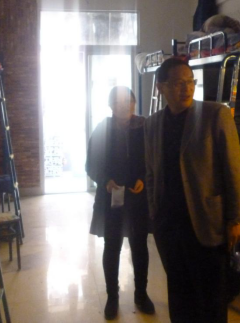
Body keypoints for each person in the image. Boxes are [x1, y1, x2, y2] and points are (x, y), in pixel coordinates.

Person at [144, 58, 240, 323]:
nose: (186, 88)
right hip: (169, 226)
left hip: (206, 222)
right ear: (161, 87)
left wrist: (236, 218)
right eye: (178, 83)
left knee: (211, 300)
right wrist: (154, 212)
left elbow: (233, 168)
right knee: (179, 296)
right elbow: (151, 172)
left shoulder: (215, 115)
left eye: (190, 81)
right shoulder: (153, 124)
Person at [86, 86, 155, 321]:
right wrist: (105, 180)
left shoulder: (145, 127)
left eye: (129, 101)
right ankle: (112, 297)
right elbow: (91, 163)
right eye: (119, 102)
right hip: (111, 197)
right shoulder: (103, 129)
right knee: (112, 245)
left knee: (140, 245)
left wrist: (144, 178)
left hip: (138, 197)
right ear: (111, 105)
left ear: (135, 103)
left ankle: (141, 294)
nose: (124, 105)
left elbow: (154, 160)